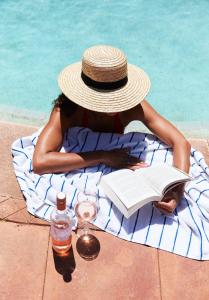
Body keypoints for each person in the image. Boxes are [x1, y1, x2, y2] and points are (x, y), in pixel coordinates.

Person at [33, 45, 191, 215]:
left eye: (115, 98)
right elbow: (40, 162)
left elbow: (180, 142)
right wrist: (103, 156)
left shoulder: (132, 107)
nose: (113, 106)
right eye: (106, 99)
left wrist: (176, 189)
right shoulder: (68, 110)